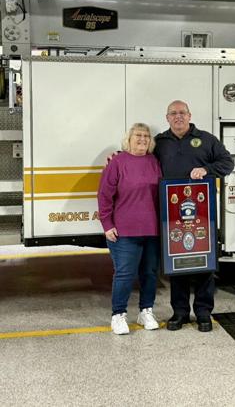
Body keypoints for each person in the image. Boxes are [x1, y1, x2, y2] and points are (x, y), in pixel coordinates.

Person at [155, 100, 234, 332]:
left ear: (189, 115)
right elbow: (141, 159)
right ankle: (179, 313)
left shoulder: (207, 140)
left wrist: (207, 170)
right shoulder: (160, 143)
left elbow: (228, 162)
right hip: (172, 214)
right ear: (167, 117)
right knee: (176, 264)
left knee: (204, 264)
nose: (178, 117)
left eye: (182, 113)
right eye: (173, 113)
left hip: (202, 212)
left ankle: (203, 313)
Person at [98, 123, 162, 335]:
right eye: (138, 135)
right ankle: (118, 315)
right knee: (125, 274)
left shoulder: (154, 162)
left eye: (146, 136)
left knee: (150, 273)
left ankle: (146, 311)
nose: (142, 139)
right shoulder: (117, 162)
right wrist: (107, 225)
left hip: (152, 230)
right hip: (124, 231)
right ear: (129, 139)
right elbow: (104, 196)